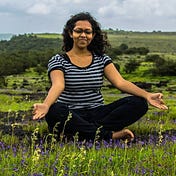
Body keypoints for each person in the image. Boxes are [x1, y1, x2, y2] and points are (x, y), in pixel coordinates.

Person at [32, 12, 168, 142]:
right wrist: (46, 105)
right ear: (70, 33)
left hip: (98, 112)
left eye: (88, 32)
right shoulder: (59, 60)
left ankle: (80, 132)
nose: (83, 35)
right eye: (78, 31)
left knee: (138, 103)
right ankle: (107, 136)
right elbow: (58, 85)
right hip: (71, 114)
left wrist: (147, 95)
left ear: (93, 34)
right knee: (54, 110)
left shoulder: (101, 59)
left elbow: (120, 82)